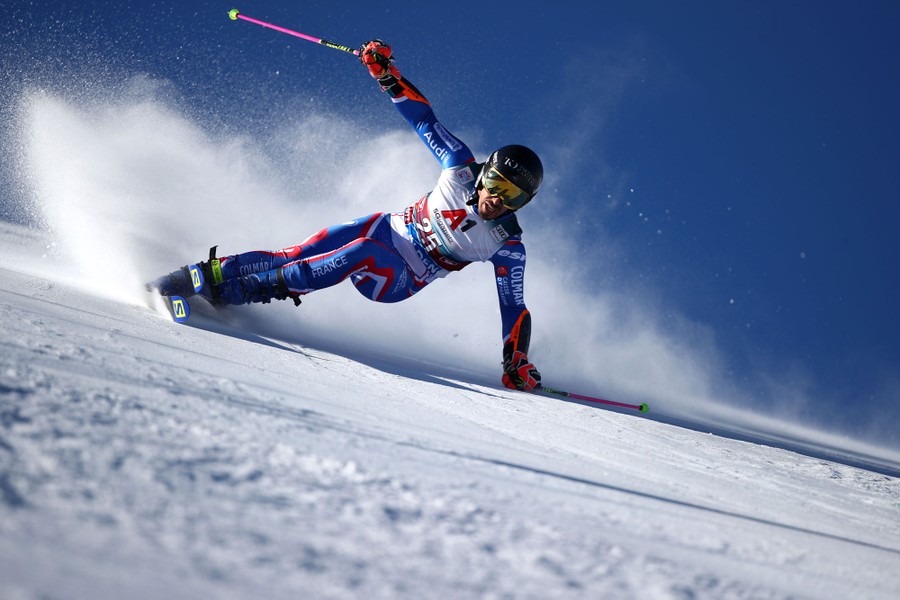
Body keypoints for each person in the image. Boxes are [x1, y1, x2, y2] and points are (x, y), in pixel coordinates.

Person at [148, 40, 543, 391]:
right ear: (485, 172)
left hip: (399, 278)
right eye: (495, 182)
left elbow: (514, 307)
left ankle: (239, 291)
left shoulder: (506, 246)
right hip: (383, 227)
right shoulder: (458, 166)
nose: (497, 198)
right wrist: (386, 75)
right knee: (299, 250)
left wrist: (515, 362)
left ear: (523, 203)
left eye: (513, 195)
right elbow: (424, 119)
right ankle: (195, 276)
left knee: (363, 251)